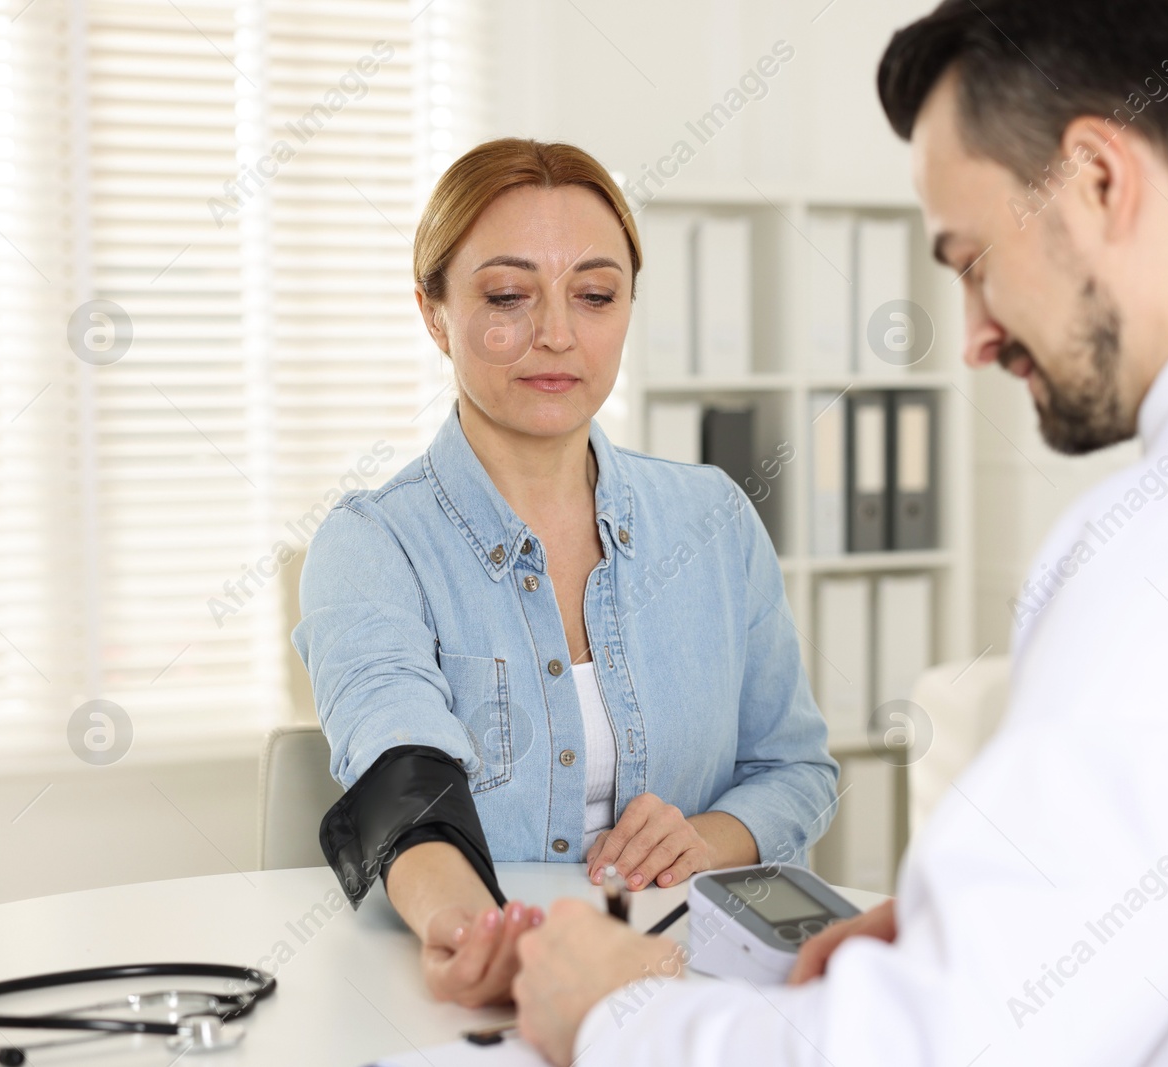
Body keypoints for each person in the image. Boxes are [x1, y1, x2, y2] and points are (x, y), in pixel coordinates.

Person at [509, 1, 1168, 1063]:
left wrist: (613, 1011)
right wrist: (971, 940)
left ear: (1098, 180)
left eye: (971, 258)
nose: (976, 337)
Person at [292, 138, 838, 1009]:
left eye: (594, 294)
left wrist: (709, 835)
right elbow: (404, 783)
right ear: (435, 313)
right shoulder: (372, 544)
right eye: (508, 295)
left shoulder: (715, 519)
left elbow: (797, 770)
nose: (555, 333)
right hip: (503, 985)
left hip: (694, 987)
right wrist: (483, 936)